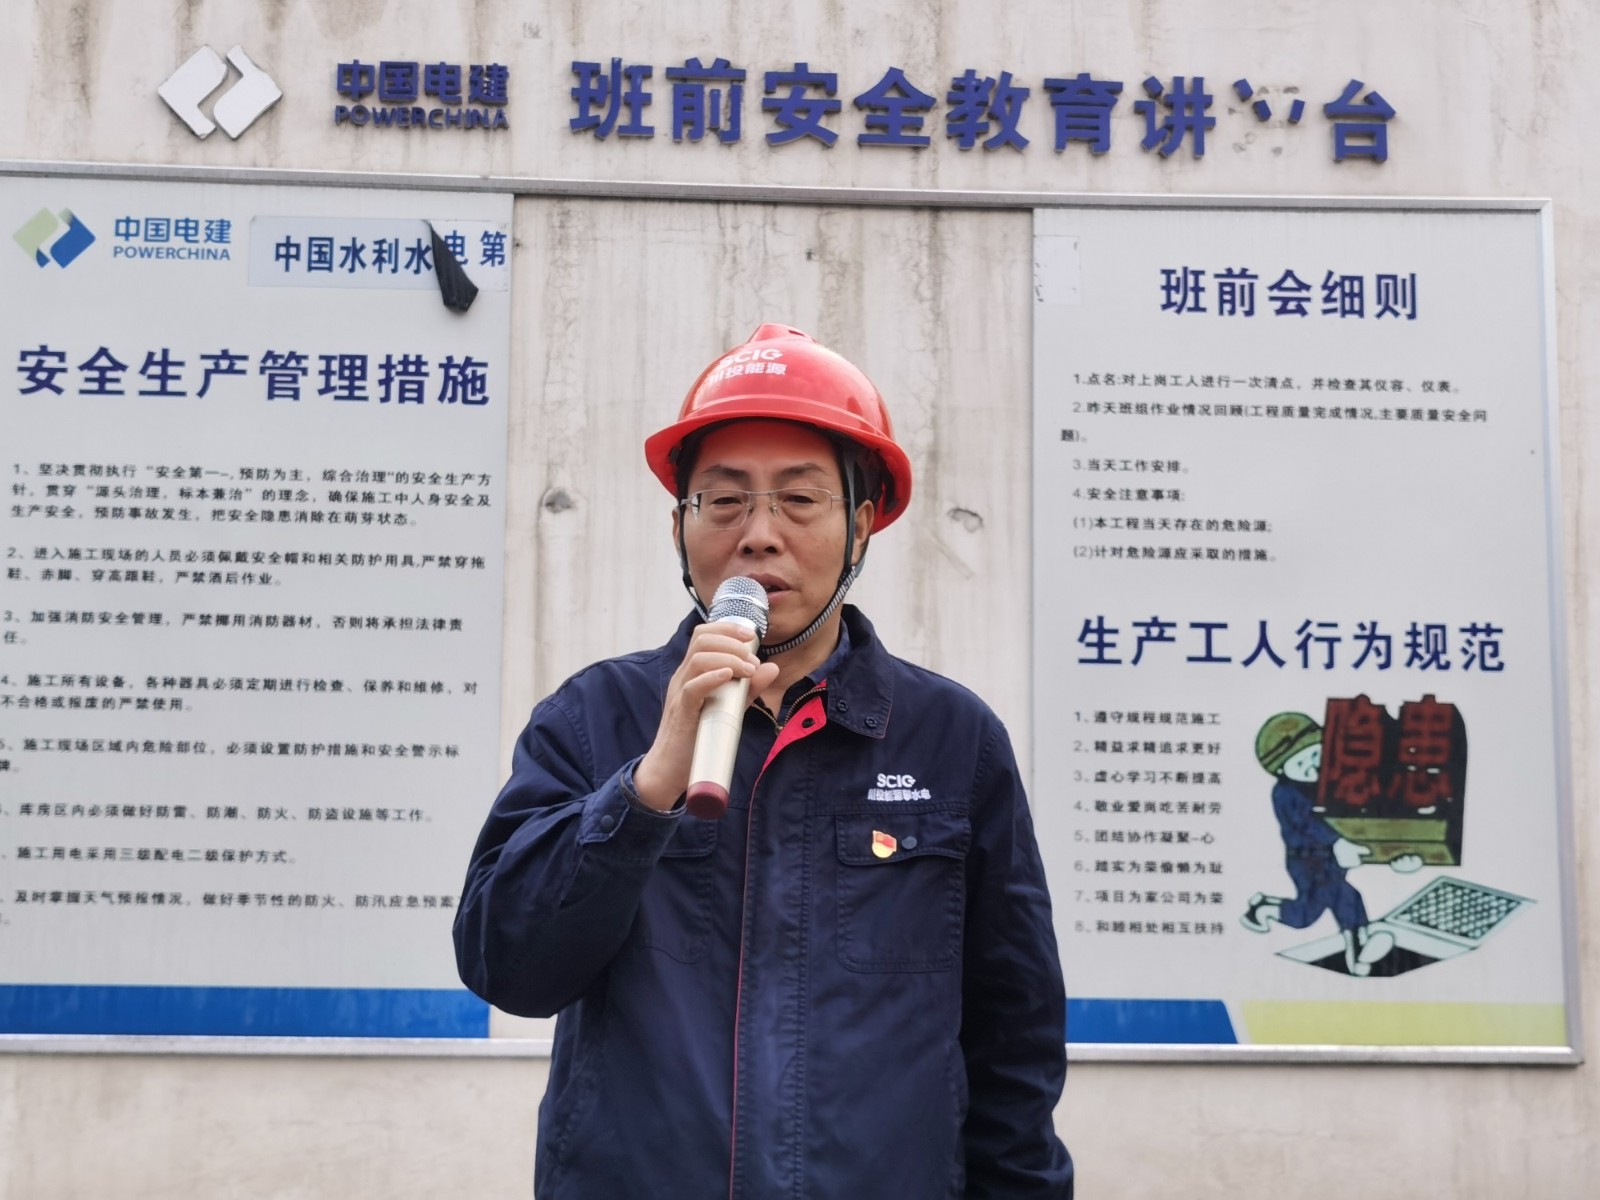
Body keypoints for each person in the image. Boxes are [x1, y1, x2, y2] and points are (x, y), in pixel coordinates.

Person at [454, 324, 1074, 1198]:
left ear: (863, 525)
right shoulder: (593, 719)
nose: (758, 535)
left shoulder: (953, 738)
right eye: (723, 500)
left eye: (800, 499)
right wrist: (645, 789)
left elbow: (1016, 1040)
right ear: (680, 526)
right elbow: (509, 970)